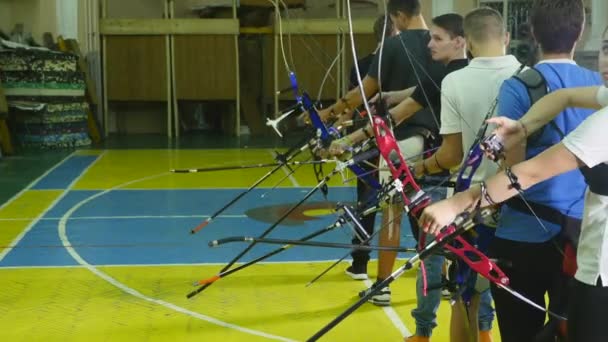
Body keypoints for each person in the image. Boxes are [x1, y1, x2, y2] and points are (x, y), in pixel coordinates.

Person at [419, 31, 608, 340]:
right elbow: (565, 97)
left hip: (602, 271)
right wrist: (523, 127)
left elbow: (529, 173)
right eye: (606, 48)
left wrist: (453, 206)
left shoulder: (603, 126)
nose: (607, 60)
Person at [329, 13, 470, 342]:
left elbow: (397, 116)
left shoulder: (442, 75)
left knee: (429, 250)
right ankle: (482, 330)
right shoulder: (465, 69)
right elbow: (416, 94)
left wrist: (349, 140)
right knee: (468, 256)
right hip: (475, 183)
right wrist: (393, 95)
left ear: (459, 40)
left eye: (437, 39)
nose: (429, 44)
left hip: (439, 168)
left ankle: (411, 317)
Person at [477, 1, 601, 341]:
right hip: (581, 240)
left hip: (523, 236)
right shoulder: (596, 87)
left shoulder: (519, 85)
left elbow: (514, 169)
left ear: (531, 33)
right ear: (580, 32)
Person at [409, 7, 521, 342]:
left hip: (469, 205)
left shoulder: (454, 80)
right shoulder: (528, 74)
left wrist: (421, 167)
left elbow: (451, 156)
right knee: (520, 299)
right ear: (506, 38)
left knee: (465, 297)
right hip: (518, 201)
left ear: (467, 43)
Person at [345, 14, 397, 281]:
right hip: (377, 139)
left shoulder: (362, 64)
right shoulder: (369, 65)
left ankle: (360, 262)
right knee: (372, 198)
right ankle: (361, 261)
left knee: (369, 199)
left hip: (382, 140)